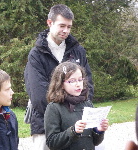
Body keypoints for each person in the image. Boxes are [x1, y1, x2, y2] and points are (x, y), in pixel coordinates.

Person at [24, 4, 94, 149]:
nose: (66, 30)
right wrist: (61, 118)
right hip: (45, 127)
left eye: (69, 27)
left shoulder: (78, 51)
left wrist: (76, 118)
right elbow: (38, 95)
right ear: (49, 23)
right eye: (62, 25)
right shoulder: (36, 54)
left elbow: (88, 86)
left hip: (78, 125)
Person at [44, 62, 108, 150]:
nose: (78, 84)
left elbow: (95, 142)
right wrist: (73, 131)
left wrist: (99, 130)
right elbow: (51, 142)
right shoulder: (54, 108)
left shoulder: (88, 104)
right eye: (72, 81)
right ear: (61, 84)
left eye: (80, 79)